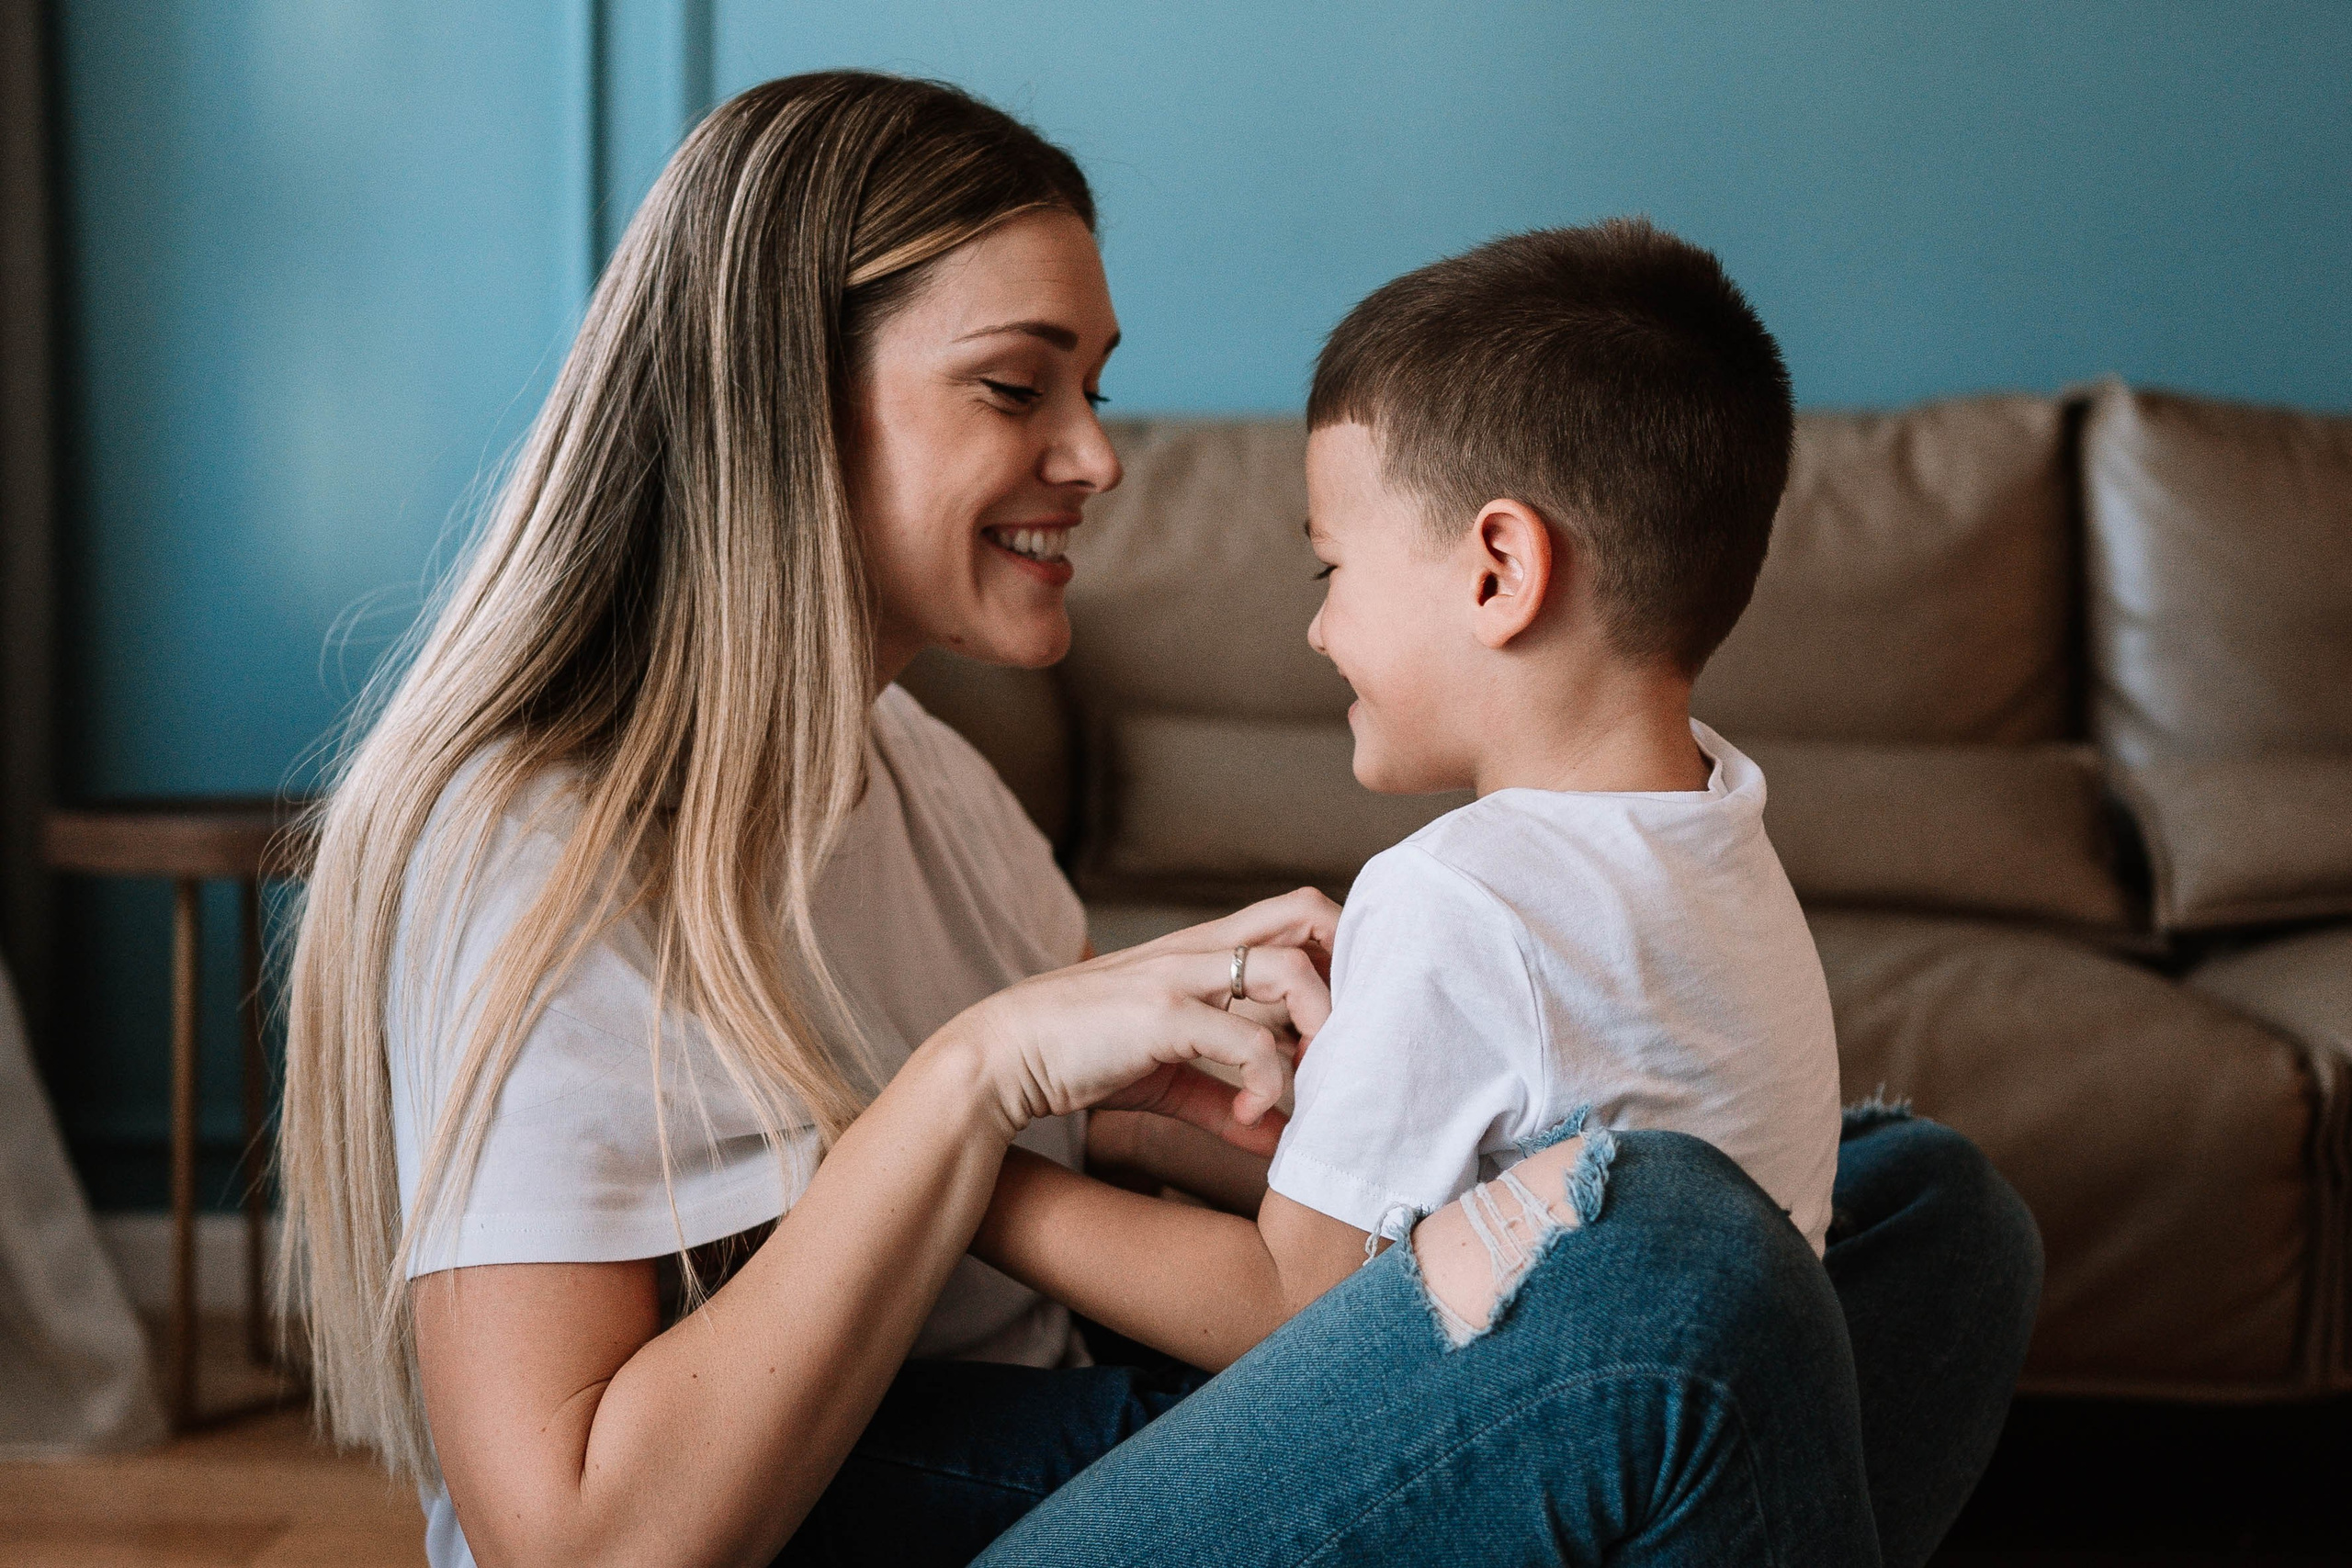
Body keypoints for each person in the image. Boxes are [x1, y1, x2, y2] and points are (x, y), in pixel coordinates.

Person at [277, 71, 2038, 1568]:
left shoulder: (932, 785)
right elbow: (572, 1538)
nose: (1100, 456)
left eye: (1095, 388)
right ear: (784, 398)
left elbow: (1144, 1221)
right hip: (877, 1515)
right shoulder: (543, 836)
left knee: (1914, 1205)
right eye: (1014, 384)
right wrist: (964, 1083)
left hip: (1094, 1433)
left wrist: (1239, 1125)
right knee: (1675, 1277)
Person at [970, 221, 1845, 1366]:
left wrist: (965, 1178)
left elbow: (1284, 1304)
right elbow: (1430, 1212)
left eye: (1331, 569)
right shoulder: (1717, 824)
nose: (1318, 629)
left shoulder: (1457, 896)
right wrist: (1131, 1136)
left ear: (1499, 573)